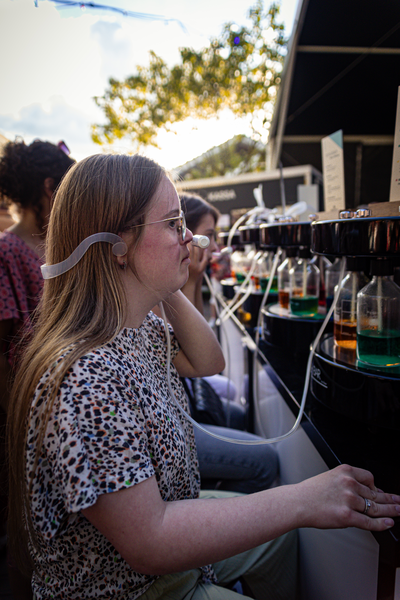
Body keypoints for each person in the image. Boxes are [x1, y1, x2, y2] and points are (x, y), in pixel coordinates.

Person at [7, 154, 400, 600]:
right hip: (133, 589)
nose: (191, 237)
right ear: (117, 246)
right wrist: (304, 500)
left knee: (279, 536)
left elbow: (209, 361)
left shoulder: (137, 326)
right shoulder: (85, 379)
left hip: (163, 550)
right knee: (286, 517)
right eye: (174, 223)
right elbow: (150, 543)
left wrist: (165, 283)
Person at [0, 138, 74, 599]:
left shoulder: (52, 246)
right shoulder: (7, 251)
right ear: (49, 188)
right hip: (24, 411)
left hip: (58, 407)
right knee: (26, 533)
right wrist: (15, 424)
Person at [180, 191, 279, 494]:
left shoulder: (178, 285)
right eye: (208, 237)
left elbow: (201, 331)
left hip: (185, 402)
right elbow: (201, 360)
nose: (215, 247)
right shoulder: (158, 294)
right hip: (180, 414)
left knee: (236, 413)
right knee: (266, 459)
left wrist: (194, 278)